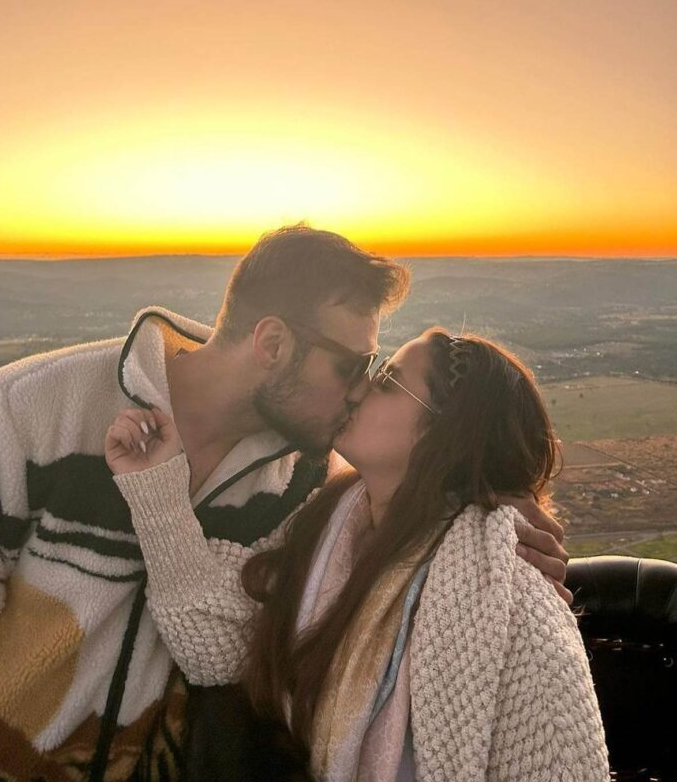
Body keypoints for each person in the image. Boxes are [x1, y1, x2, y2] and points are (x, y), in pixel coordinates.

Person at [0, 226, 568, 782]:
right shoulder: (31, 409)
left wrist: (494, 512)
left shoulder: (306, 483)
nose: (358, 389)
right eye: (353, 366)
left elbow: (404, 506)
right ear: (273, 344)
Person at [105, 329, 607, 781]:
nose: (357, 388)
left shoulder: (510, 604)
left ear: (443, 432)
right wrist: (155, 487)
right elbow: (214, 647)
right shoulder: (328, 521)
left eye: (387, 380)